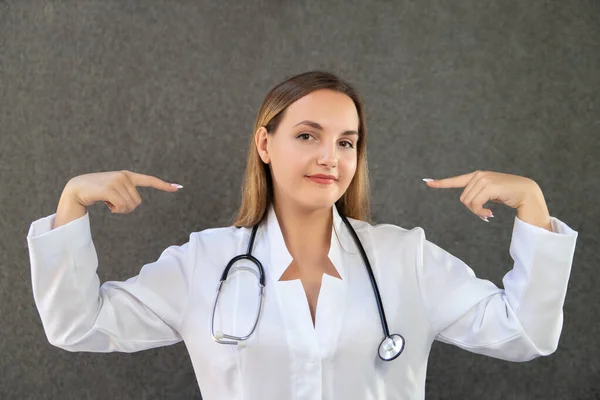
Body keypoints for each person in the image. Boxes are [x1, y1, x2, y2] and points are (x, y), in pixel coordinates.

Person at [26, 70, 578, 399]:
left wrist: (532, 203)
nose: (329, 158)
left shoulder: (404, 258)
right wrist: (72, 201)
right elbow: (79, 325)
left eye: (346, 142)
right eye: (308, 135)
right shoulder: (204, 263)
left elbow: (526, 333)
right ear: (265, 145)